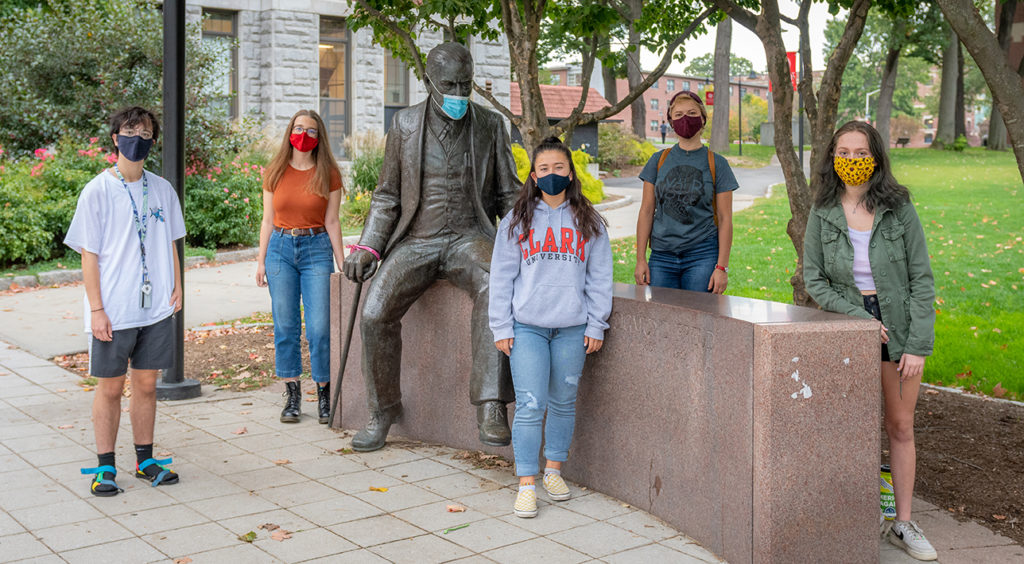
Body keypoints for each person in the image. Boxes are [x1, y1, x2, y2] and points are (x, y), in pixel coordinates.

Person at [342, 42, 520, 452]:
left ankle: (490, 405)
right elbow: (387, 196)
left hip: (469, 238)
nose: (459, 93)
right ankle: (382, 410)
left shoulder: (491, 125)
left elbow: (509, 196)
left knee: (498, 286)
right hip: (417, 240)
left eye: (466, 84)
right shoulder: (404, 125)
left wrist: (525, 241)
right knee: (374, 314)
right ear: (428, 82)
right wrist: (368, 248)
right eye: (450, 85)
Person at [803, 121, 936, 561]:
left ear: (876, 157)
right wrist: (859, 317)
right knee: (848, 426)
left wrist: (917, 344)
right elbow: (814, 280)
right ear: (832, 157)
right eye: (844, 151)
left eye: (861, 152)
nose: (852, 160)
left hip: (897, 326)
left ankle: (902, 522)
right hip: (847, 327)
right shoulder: (821, 210)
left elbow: (921, 279)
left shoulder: (899, 208)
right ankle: (844, 519)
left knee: (900, 425)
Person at [488, 137, 613, 518]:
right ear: (533, 176)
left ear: (570, 172)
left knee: (562, 403)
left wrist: (597, 323)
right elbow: (502, 276)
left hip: (573, 329)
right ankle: (526, 483)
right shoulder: (517, 220)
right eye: (544, 169)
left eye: (559, 168)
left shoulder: (588, 220)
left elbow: (600, 277)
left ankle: (553, 471)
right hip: (527, 328)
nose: (552, 175)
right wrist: (501, 326)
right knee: (529, 405)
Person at [65, 106, 184, 496]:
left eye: (146, 131)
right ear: (116, 137)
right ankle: (105, 467)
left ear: (153, 139)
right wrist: (96, 309)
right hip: (113, 309)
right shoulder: (97, 190)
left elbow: (171, 243)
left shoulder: (162, 189)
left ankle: (145, 459)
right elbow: (89, 254)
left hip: (155, 308)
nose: (139, 138)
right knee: (111, 388)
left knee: (147, 385)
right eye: (131, 130)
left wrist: (178, 286)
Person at [256, 109, 345, 424]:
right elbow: (267, 220)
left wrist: (342, 262)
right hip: (279, 249)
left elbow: (332, 221)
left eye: (310, 130)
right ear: (289, 132)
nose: (303, 135)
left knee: (320, 328)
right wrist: (260, 261)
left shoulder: (329, 173)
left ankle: (324, 392)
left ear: (319, 136)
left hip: (316, 249)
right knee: (286, 326)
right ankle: (292, 395)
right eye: (298, 128)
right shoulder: (275, 171)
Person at [635, 91, 739, 293]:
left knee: (699, 319)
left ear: (702, 119)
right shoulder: (658, 161)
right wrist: (640, 259)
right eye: (679, 114)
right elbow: (646, 211)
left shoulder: (718, 163)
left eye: (692, 113)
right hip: (661, 256)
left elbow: (726, 218)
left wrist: (722, 267)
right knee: (663, 319)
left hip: (702, 254)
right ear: (671, 122)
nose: (685, 119)